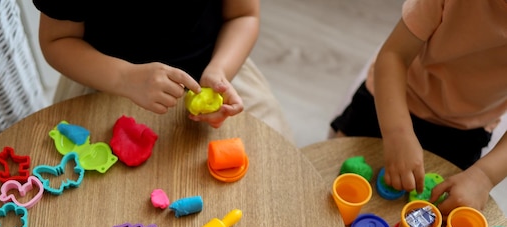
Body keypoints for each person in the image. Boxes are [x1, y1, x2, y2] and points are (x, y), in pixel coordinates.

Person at [330, 0, 507, 215]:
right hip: (395, 96)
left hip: (464, 131)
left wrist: (484, 176)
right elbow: (394, 55)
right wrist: (397, 132)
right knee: (331, 178)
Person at [31, 0, 292, 139]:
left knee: (269, 145)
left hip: (213, 65)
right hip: (103, 79)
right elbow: (57, 41)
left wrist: (220, 71)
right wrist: (124, 78)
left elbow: (243, 15)